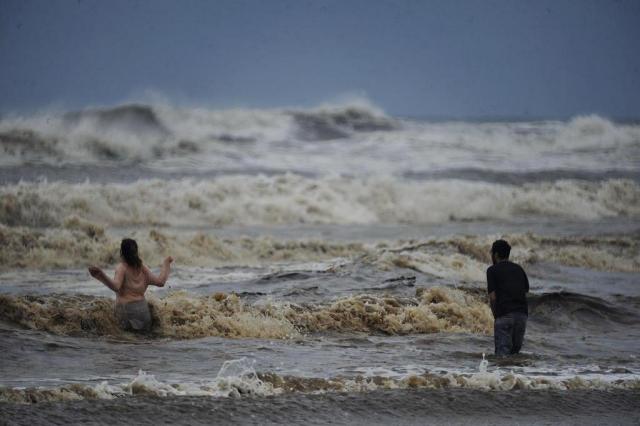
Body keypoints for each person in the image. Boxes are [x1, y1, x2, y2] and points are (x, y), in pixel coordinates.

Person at [88, 238, 173, 332]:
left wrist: (100, 275)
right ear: (136, 251)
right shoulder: (142, 267)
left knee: (126, 342)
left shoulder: (122, 268)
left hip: (127, 311)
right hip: (143, 311)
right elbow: (160, 282)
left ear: (122, 252)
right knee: (143, 342)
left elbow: (116, 286)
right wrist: (166, 263)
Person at [487, 239, 529, 356]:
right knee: (514, 355)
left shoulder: (492, 270)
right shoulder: (519, 269)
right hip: (522, 316)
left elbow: (493, 297)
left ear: (495, 255)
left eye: (491, 253)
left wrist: (497, 316)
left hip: (505, 315)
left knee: (502, 356)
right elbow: (525, 292)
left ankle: (503, 375)